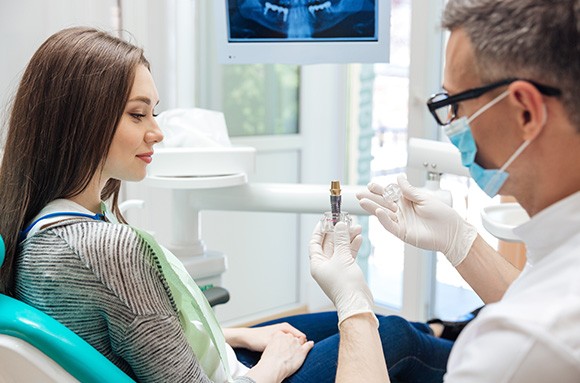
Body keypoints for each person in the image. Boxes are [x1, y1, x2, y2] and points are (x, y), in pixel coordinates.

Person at [0, 26, 460, 383]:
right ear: (79, 120)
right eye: (138, 114)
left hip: (210, 360)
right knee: (392, 336)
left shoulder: (37, 224)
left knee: (380, 322)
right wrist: (273, 365)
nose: (157, 131)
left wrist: (239, 335)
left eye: (154, 112)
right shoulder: (104, 248)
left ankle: (453, 330)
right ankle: (486, 351)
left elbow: (139, 339)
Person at [310, 0, 580, 382]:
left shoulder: (520, 345)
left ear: (525, 112)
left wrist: (353, 307)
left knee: (397, 336)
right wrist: (459, 241)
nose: (451, 124)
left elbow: (537, 319)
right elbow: (536, 292)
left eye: (454, 104)